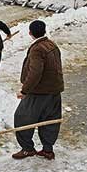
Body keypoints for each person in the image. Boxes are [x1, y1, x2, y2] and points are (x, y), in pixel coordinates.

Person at [12, 20, 63, 161]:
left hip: (39, 92)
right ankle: (48, 150)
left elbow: (35, 73)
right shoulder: (51, 44)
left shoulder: (37, 49)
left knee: (22, 118)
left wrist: (25, 91)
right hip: (54, 91)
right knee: (50, 120)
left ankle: (28, 149)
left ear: (30, 33)